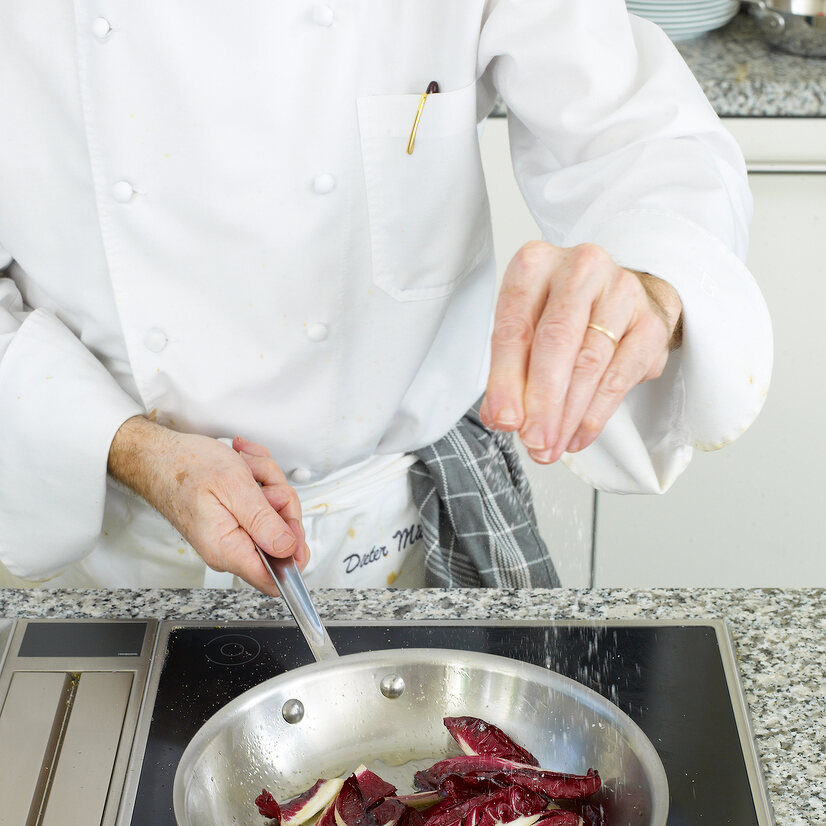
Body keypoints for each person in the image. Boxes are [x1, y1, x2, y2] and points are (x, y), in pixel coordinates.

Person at [0, 1, 771, 593]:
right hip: (110, 539)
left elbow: (639, 132)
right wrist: (133, 448)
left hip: (417, 519)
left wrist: (650, 280)